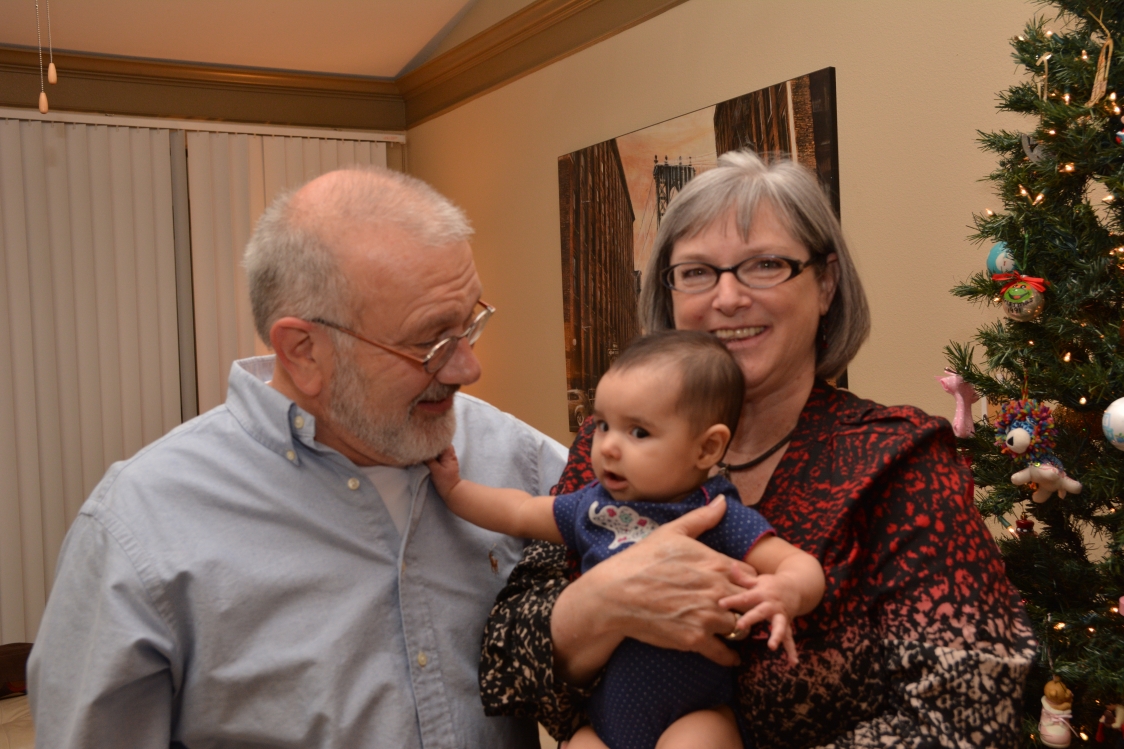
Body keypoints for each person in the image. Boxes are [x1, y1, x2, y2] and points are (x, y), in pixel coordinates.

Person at [478, 150, 1037, 748]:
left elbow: (967, 716)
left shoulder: (898, 462)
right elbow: (507, 663)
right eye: (697, 272)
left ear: (825, 284)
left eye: (765, 265)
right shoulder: (610, 443)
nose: (727, 298)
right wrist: (604, 601)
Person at [28, 167, 568, 748]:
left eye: (468, 325)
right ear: (303, 350)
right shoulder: (139, 530)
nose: (467, 368)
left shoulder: (515, 458)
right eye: (431, 342)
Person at [428, 330, 825, 749]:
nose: (609, 447)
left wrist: (785, 591)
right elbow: (520, 511)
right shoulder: (592, 507)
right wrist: (456, 491)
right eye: (603, 425)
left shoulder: (716, 513)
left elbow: (799, 565)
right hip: (604, 723)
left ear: (707, 448)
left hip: (693, 715)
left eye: (638, 432)